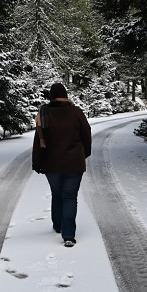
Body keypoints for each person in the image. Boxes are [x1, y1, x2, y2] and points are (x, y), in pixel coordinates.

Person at [31, 82, 92, 247]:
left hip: (51, 164)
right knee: (70, 197)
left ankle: (58, 225)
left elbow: (38, 140)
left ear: (51, 96)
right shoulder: (76, 112)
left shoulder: (44, 114)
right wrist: (83, 154)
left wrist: (37, 162)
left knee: (57, 194)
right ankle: (69, 235)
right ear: (66, 96)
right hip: (74, 163)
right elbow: (87, 135)